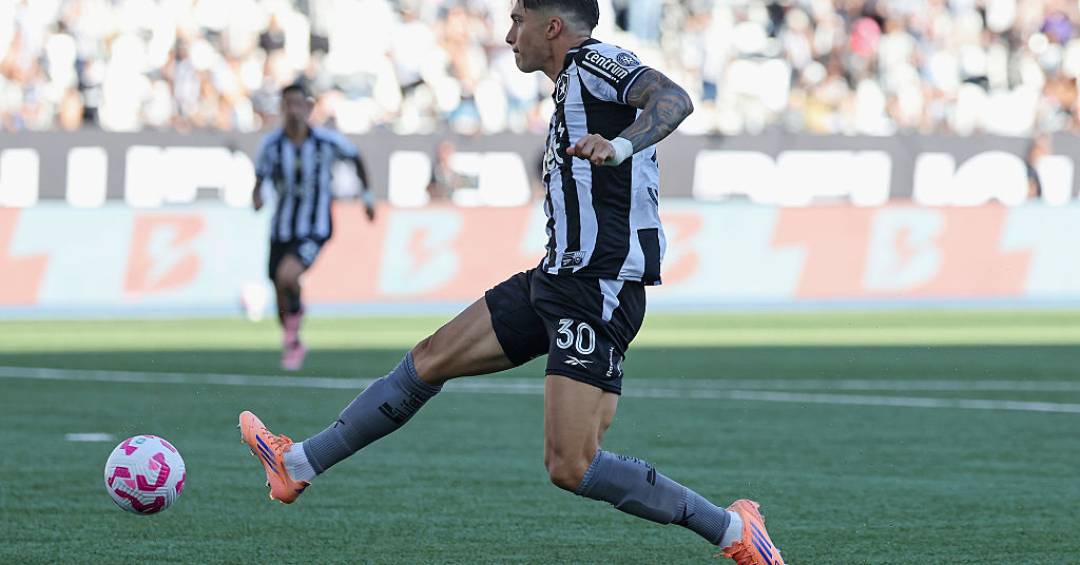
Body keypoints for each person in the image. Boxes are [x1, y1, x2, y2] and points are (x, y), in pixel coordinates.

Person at [239, 2, 784, 563]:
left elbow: (674, 99)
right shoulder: (568, 84)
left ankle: (732, 530)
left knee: (571, 465)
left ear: (553, 26)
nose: (508, 35)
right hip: (556, 277)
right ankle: (297, 464)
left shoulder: (597, 62)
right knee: (428, 359)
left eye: (518, 19)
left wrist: (618, 146)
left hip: (598, 288)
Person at [252, 82, 376, 371]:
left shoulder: (326, 141)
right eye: (288, 104)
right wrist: (256, 196)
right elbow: (260, 179)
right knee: (279, 288)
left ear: (308, 107)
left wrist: (367, 197)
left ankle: (293, 332)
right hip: (281, 228)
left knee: (287, 276)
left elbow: (356, 158)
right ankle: (293, 339)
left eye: (298, 104)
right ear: (282, 108)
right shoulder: (271, 145)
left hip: (315, 227)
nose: (293, 110)